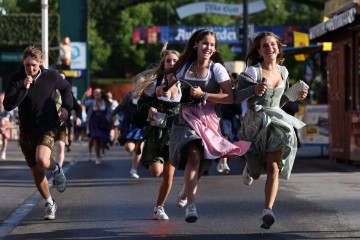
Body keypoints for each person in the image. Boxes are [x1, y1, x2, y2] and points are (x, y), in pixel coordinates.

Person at [166, 29, 251, 223]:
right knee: (194, 156)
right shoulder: (184, 66)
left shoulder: (217, 69)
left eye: (212, 45)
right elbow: (170, 83)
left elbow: (229, 98)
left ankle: (185, 192)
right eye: (205, 43)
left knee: (202, 164)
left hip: (208, 119)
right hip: (186, 118)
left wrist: (204, 95)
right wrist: (165, 89)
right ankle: (191, 206)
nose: (208, 47)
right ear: (196, 44)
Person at [234, 32, 308, 229]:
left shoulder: (283, 72)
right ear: (259, 51)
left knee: (274, 166)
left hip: (276, 122)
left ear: (278, 47)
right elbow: (236, 97)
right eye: (265, 46)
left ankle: (268, 210)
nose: (270, 48)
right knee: (257, 173)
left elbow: (280, 102)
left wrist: (295, 96)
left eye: (273, 45)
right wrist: (253, 90)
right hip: (254, 124)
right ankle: (249, 168)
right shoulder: (252, 72)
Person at [3, 45, 73, 220]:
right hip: (27, 129)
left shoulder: (51, 76)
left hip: (48, 125)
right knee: (36, 171)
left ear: (40, 63)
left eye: (34, 65)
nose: (30, 69)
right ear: (23, 63)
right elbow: (8, 105)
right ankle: (50, 202)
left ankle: (56, 168)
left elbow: (66, 88)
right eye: (27, 65)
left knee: (42, 159)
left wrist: (66, 108)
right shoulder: (17, 79)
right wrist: (24, 88)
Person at [133, 41, 181, 220]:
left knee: (169, 173)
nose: (172, 63)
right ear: (163, 63)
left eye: (175, 60)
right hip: (157, 130)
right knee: (156, 171)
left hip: (175, 129)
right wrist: (149, 109)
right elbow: (141, 103)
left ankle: (159, 207)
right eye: (168, 61)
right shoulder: (155, 83)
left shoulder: (183, 84)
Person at [111, 89, 144, 179]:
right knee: (129, 147)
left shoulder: (149, 95)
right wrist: (112, 115)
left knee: (138, 148)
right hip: (129, 126)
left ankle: (133, 170)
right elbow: (120, 107)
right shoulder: (129, 96)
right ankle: (136, 158)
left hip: (142, 126)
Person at [54, 71, 82, 167]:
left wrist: (78, 117)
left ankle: (58, 172)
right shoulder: (47, 91)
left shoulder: (68, 94)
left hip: (61, 124)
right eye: (58, 78)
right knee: (45, 151)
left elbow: (78, 107)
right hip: (47, 124)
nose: (60, 81)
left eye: (62, 79)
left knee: (61, 147)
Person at [216, 73, 243, 174]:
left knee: (228, 139)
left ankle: (223, 161)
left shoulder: (233, 92)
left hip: (229, 119)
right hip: (218, 118)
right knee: (224, 138)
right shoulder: (215, 89)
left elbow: (237, 105)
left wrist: (240, 114)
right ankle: (223, 161)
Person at [82, 88, 112, 165]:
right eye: (95, 93)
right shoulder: (92, 102)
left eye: (98, 93)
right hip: (94, 122)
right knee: (95, 138)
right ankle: (97, 157)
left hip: (104, 122)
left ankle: (103, 148)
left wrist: (111, 119)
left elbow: (110, 112)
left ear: (101, 94)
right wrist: (85, 95)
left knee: (102, 139)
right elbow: (84, 103)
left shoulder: (106, 102)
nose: (96, 94)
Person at [0, 92, 13, 160]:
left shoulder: (7, 105)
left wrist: (9, 124)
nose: (1, 99)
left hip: (6, 124)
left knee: (5, 138)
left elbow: (11, 116)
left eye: (2, 98)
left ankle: (4, 151)